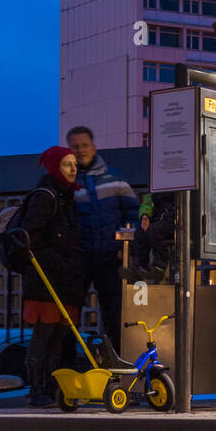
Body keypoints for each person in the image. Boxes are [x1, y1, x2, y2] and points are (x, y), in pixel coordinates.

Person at [16, 146, 85, 406]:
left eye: (74, 164)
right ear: (55, 167)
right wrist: (59, 263)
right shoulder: (46, 197)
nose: (73, 169)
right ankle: (37, 389)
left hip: (64, 280)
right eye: (67, 164)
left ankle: (52, 387)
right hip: (45, 279)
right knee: (45, 333)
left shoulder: (66, 198)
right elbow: (32, 238)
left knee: (58, 335)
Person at [66, 125, 139, 345]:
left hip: (110, 258)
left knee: (115, 315)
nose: (80, 150)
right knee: (69, 316)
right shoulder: (65, 183)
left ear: (94, 147)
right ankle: (69, 368)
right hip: (78, 260)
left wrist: (124, 247)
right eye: (75, 146)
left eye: (84, 145)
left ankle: (119, 364)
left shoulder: (115, 178)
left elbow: (132, 214)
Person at [124, 190, 176, 282]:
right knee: (139, 233)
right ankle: (139, 267)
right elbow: (147, 202)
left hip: (173, 220)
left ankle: (159, 267)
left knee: (154, 230)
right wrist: (145, 215)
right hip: (157, 219)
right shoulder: (155, 186)